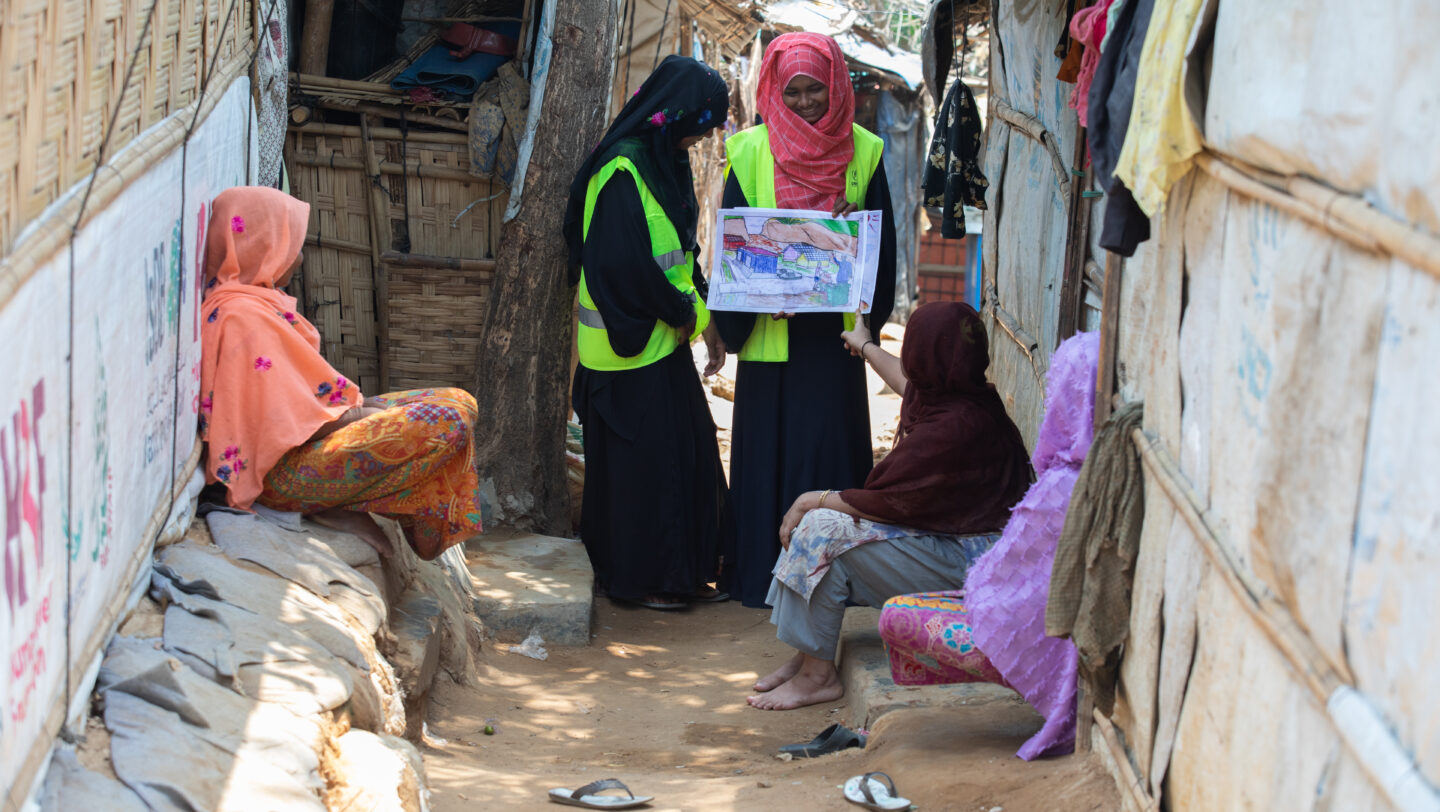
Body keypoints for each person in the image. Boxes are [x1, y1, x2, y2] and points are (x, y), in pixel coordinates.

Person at [746, 302, 1031, 710]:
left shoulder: (953, 427)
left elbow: (889, 503)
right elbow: (905, 382)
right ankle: (810, 652)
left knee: (822, 530)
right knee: (826, 526)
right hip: (974, 548)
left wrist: (811, 499)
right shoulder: (962, 394)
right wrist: (864, 345)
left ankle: (817, 676)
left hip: (979, 568)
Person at [713, 32, 898, 608]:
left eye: (814, 89)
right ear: (773, 89)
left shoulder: (864, 151)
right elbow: (733, 240)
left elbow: (883, 241)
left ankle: (829, 581)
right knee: (768, 452)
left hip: (832, 336)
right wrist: (742, 303)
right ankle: (760, 580)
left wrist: (855, 223)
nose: (804, 103)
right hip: (771, 332)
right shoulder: (747, 151)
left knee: (827, 448)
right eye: (791, 92)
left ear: (836, 85)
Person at [200, 186, 483, 560]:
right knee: (446, 421)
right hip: (282, 474)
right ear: (263, 244)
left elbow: (299, 401)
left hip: (304, 448)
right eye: (289, 241)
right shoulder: (243, 317)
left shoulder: (253, 303)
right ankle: (341, 506)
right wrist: (366, 414)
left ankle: (373, 509)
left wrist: (365, 411)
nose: (298, 257)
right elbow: (283, 427)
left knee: (459, 400)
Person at [561, 56, 733, 610]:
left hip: (661, 345)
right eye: (698, 128)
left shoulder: (664, 162)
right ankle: (644, 583)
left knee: (685, 460)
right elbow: (620, 265)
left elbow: (681, 251)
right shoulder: (621, 170)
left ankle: (675, 577)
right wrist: (683, 311)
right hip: (625, 349)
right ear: (672, 116)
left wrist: (702, 315)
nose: (700, 140)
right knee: (646, 475)